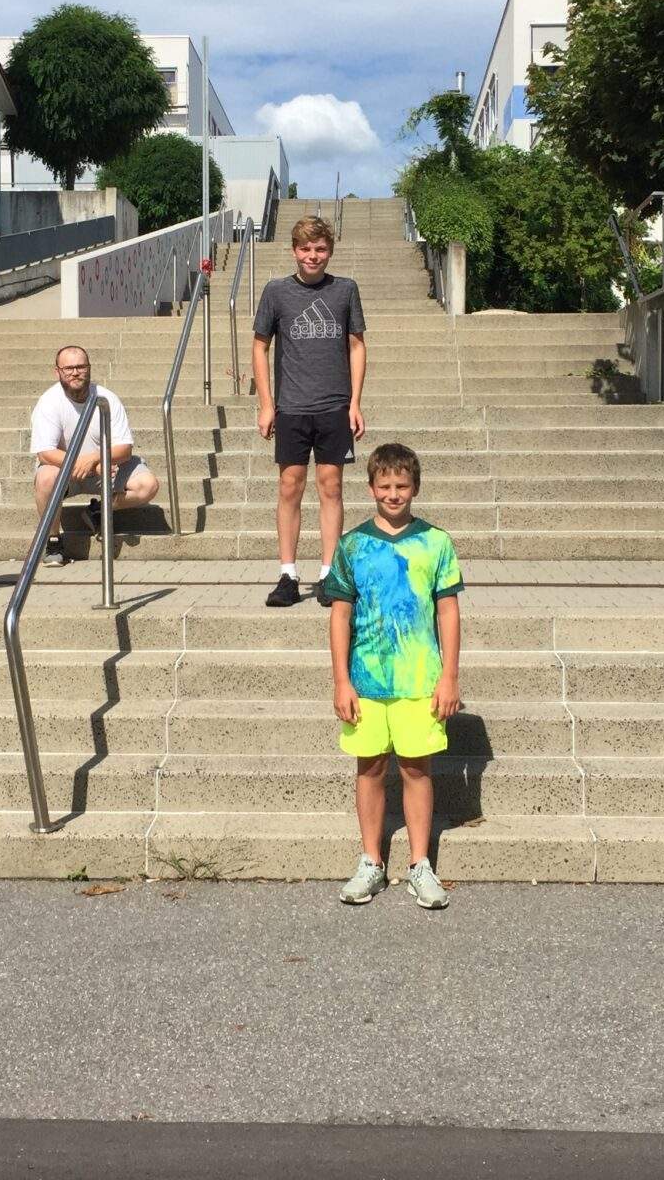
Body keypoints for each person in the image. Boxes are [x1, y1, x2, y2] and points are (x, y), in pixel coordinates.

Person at [324, 442, 463, 909]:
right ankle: (371, 861)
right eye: (384, 485)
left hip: (419, 678)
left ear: (415, 488)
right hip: (366, 680)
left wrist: (449, 677)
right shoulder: (352, 546)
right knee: (370, 767)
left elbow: (448, 611)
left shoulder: (437, 542)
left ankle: (420, 863)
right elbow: (339, 616)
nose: (393, 493)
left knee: (416, 768)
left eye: (402, 485)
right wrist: (342, 680)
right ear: (370, 488)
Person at [253, 215, 366, 608]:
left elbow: (356, 346)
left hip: (334, 406)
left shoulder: (345, 290)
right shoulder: (276, 292)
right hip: (292, 408)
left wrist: (354, 403)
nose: (312, 256)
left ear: (329, 251)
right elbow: (259, 347)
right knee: (290, 487)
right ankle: (288, 573)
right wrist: (267, 404)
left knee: (331, 487)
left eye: (320, 249)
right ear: (294, 250)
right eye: (305, 248)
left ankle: (329, 573)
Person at [29, 345, 159, 566]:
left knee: (148, 485)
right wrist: (86, 464)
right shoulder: (49, 402)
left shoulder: (107, 399)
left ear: (89, 369)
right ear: (57, 372)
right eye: (68, 368)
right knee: (45, 478)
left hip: (106, 469)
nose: (75, 372)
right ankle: (53, 540)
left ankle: (98, 510)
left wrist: (94, 459)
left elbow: (125, 448)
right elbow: (45, 454)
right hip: (69, 472)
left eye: (81, 366)